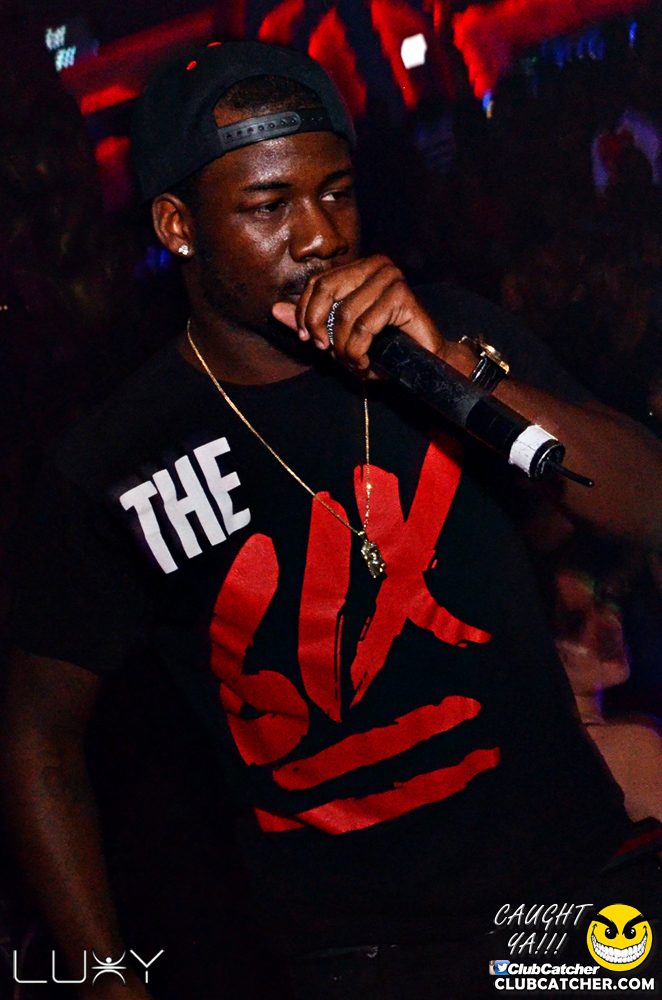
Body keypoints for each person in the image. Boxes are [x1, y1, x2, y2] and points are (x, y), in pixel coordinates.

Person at [3, 41, 662, 1000]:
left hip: (573, 897)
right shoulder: (114, 460)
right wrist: (104, 973)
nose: (319, 236)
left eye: (338, 193)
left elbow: (648, 502)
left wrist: (461, 371)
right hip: (362, 960)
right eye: (269, 206)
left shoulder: (447, 334)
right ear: (179, 227)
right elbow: (38, 734)